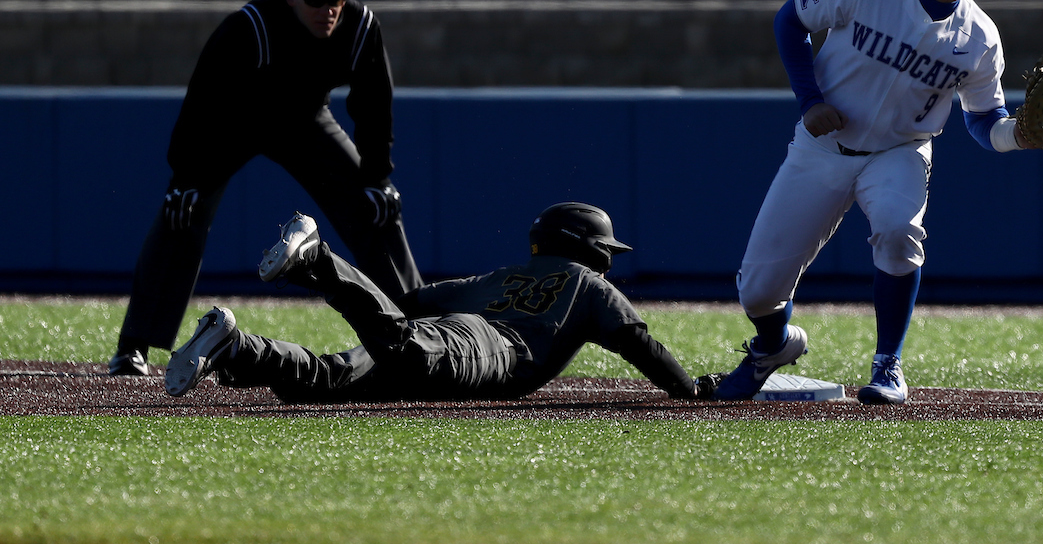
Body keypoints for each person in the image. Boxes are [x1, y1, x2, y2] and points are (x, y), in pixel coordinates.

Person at [713, 0, 1043, 404]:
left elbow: (985, 122)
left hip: (900, 150)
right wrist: (810, 100)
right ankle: (774, 346)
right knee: (758, 291)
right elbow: (790, 19)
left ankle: (887, 363)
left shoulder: (981, 37)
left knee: (899, 232)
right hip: (822, 148)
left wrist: (1019, 136)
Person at [109, 0, 423, 376]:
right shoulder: (250, 26)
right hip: (235, 122)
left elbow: (374, 105)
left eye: (335, 1)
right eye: (316, 0)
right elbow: (202, 104)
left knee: (376, 206)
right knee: (182, 209)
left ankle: (422, 329)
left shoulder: (360, 26)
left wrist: (378, 176)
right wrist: (186, 176)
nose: (327, 11)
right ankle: (134, 346)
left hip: (307, 119)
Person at [164, 204, 705, 402]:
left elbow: (416, 301)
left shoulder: (505, 274)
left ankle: (236, 347)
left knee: (329, 379)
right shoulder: (587, 283)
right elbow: (639, 343)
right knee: (403, 348)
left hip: (453, 328)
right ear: (589, 248)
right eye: (604, 250)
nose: (608, 259)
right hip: (491, 349)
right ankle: (318, 260)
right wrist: (689, 390)